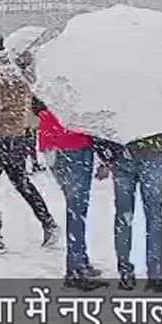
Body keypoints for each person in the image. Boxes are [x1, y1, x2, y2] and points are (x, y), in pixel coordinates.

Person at [0, 32, 58, 254]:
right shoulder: (17, 73)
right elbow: (32, 103)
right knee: (22, 183)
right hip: (17, 137)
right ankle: (47, 221)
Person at [35, 98, 105, 290]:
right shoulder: (77, 84)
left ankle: (80, 260)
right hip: (73, 144)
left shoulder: (54, 83)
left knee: (76, 207)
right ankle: (75, 269)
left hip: (55, 142)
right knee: (77, 209)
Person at [94, 134, 162, 292]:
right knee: (154, 217)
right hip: (151, 152)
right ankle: (155, 274)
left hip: (122, 154)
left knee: (124, 217)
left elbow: (104, 129)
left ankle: (125, 273)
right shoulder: (156, 112)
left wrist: (105, 158)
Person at [15, 50, 46, 173]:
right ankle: (32, 163)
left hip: (24, 111)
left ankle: (29, 163)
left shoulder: (19, 75)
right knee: (29, 140)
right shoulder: (26, 75)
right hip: (28, 110)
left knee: (26, 139)